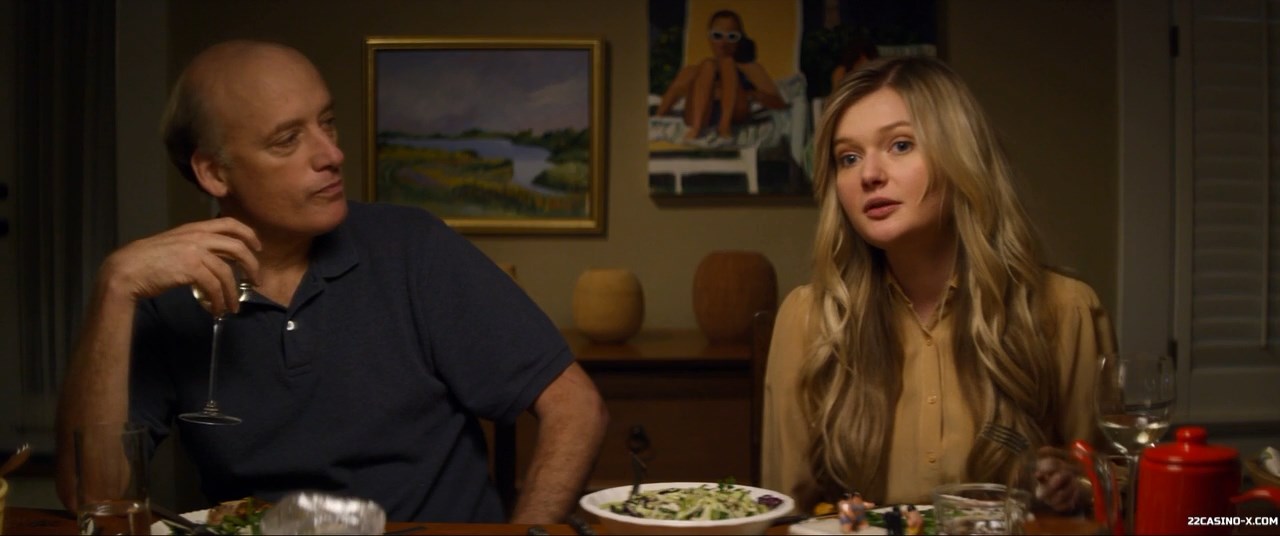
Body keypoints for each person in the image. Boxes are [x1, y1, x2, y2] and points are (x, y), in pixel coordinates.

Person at [53, 40, 609, 524]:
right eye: (287, 140)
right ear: (215, 172)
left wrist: (527, 533)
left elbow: (576, 406)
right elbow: (94, 498)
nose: (332, 154)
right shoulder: (165, 299)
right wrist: (114, 287)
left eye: (327, 122)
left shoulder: (412, 246)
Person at [760, 56, 1105, 513]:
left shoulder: (1065, 309)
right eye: (849, 157)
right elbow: (785, 513)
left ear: (961, 156)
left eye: (901, 145)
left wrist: (1070, 487)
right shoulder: (808, 319)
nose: (869, 174)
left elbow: (1106, 493)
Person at [653, 9, 786, 142]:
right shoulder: (695, 71)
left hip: (735, 112)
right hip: (701, 114)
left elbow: (779, 103)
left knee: (727, 63)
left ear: (740, 39)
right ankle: (697, 127)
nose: (723, 43)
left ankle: (724, 125)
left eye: (731, 36)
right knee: (708, 64)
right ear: (710, 38)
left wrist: (750, 94)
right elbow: (668, 101)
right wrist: (706, 91)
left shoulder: (749, 68)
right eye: (717, 36)